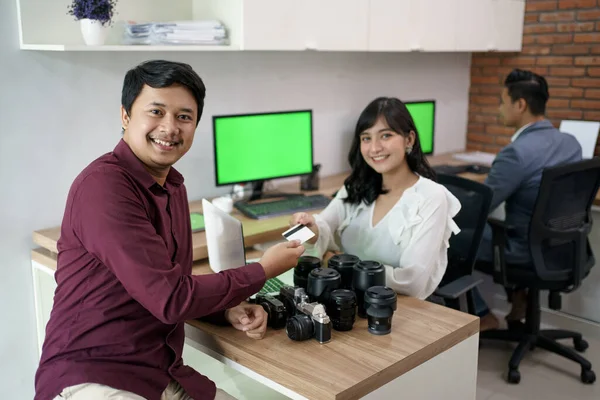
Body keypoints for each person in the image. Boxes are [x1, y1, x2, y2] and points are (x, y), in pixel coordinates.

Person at [34, 60, 305, 400]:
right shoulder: (103, 187)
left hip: (158, 373)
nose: (170, 127)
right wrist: (263, 270)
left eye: (184, 117)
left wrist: (225, 309)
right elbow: (171, 298)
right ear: (125, 116)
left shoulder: (172, 187)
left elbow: (167, 284)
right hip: (94, 376)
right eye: (156, 112)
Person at [291, 97, 461, 300]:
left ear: (409, 140)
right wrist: (304, 229)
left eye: (386, 136)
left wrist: (339, 264)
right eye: (366, 138)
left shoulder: (432, 197)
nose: (374, 148)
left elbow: (413, 282)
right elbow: (320, 227)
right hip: (346, 300)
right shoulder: (356, 186)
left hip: (397, 311)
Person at [472, 69, 582, 331]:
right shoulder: (571, 143)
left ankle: (482, 313)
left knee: (445, 237)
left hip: (523, 251)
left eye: (502, 101)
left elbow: (480, 207)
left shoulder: (516, 153)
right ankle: (518, 293)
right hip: (564, 247)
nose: (499, 108)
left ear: (520, 105)